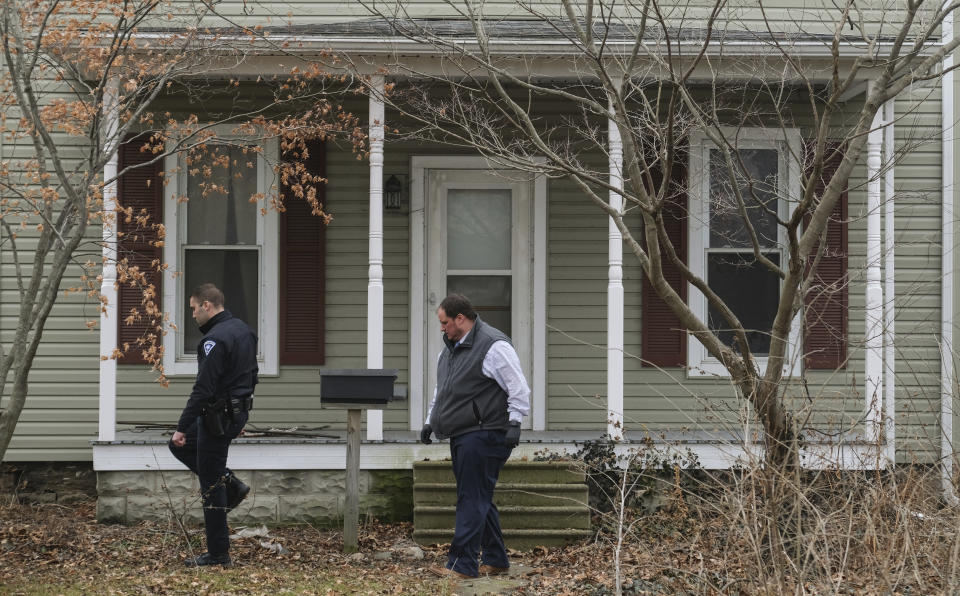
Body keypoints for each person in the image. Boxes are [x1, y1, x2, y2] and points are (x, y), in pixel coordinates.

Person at [420, 293, 530, 579]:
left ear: (460, 318)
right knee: (478, 496)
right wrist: (430, 421)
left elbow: (518, 387)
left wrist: (515, 422)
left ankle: (462, 566)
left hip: (486, 432)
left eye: (445, 322)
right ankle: (496, 560)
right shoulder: (451, 350)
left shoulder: (493, 346)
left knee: (471, 498)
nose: (442, 328)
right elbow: (442, 391)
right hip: (463, 433)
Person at [168, 283, 258, 567]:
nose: (192, 314)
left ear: (207, 305)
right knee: (192, 458)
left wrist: (182, 426)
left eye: (193, 308)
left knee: (211, 483)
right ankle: (231, 484)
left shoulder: (214, 340)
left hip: (217, 417)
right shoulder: (243, 330)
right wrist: (239, 417)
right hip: (233, 413)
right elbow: (250, 375)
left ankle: (218, 554)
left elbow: (203, 389)